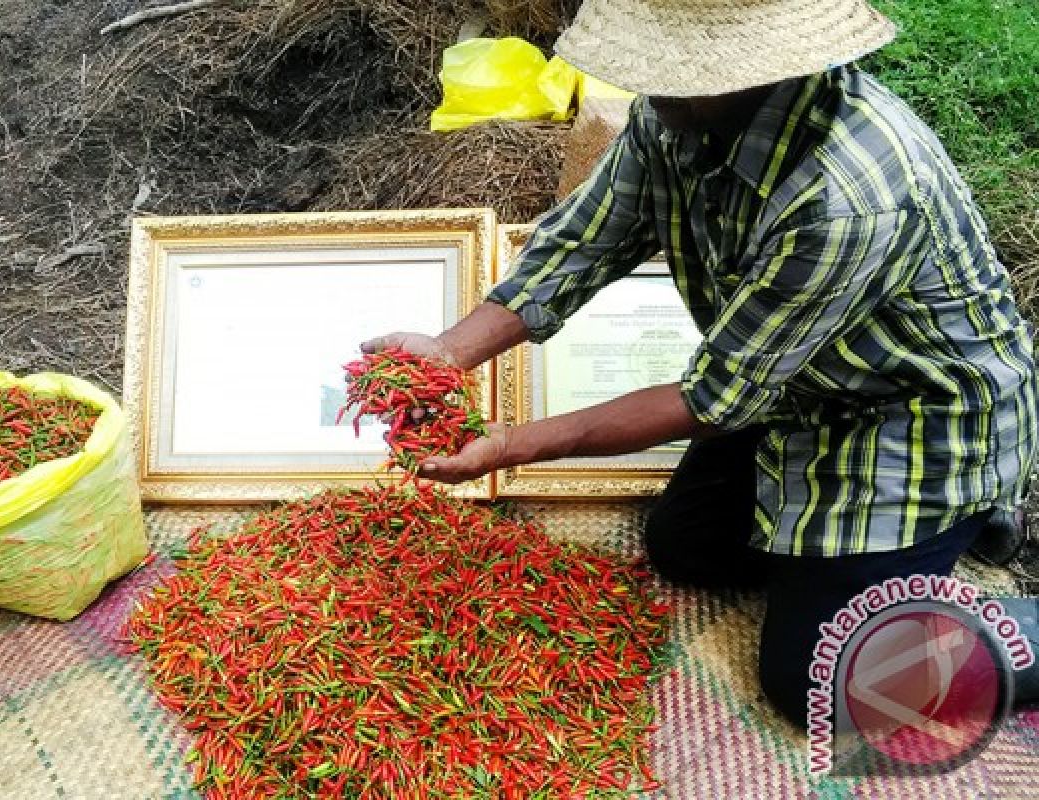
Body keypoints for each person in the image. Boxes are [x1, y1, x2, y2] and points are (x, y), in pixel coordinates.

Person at [361, 0, 1039, 726]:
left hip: (914, 419)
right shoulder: (680, 113)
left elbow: (712, 399)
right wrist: (446, 354)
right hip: (795, 388)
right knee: (685, 547)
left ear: (761, 69)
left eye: (679, 72)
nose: (656, 88)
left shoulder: (847, 193)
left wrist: (511, 445)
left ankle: (978, 546)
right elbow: (582, 243)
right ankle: (880, 561)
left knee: (821, 678)